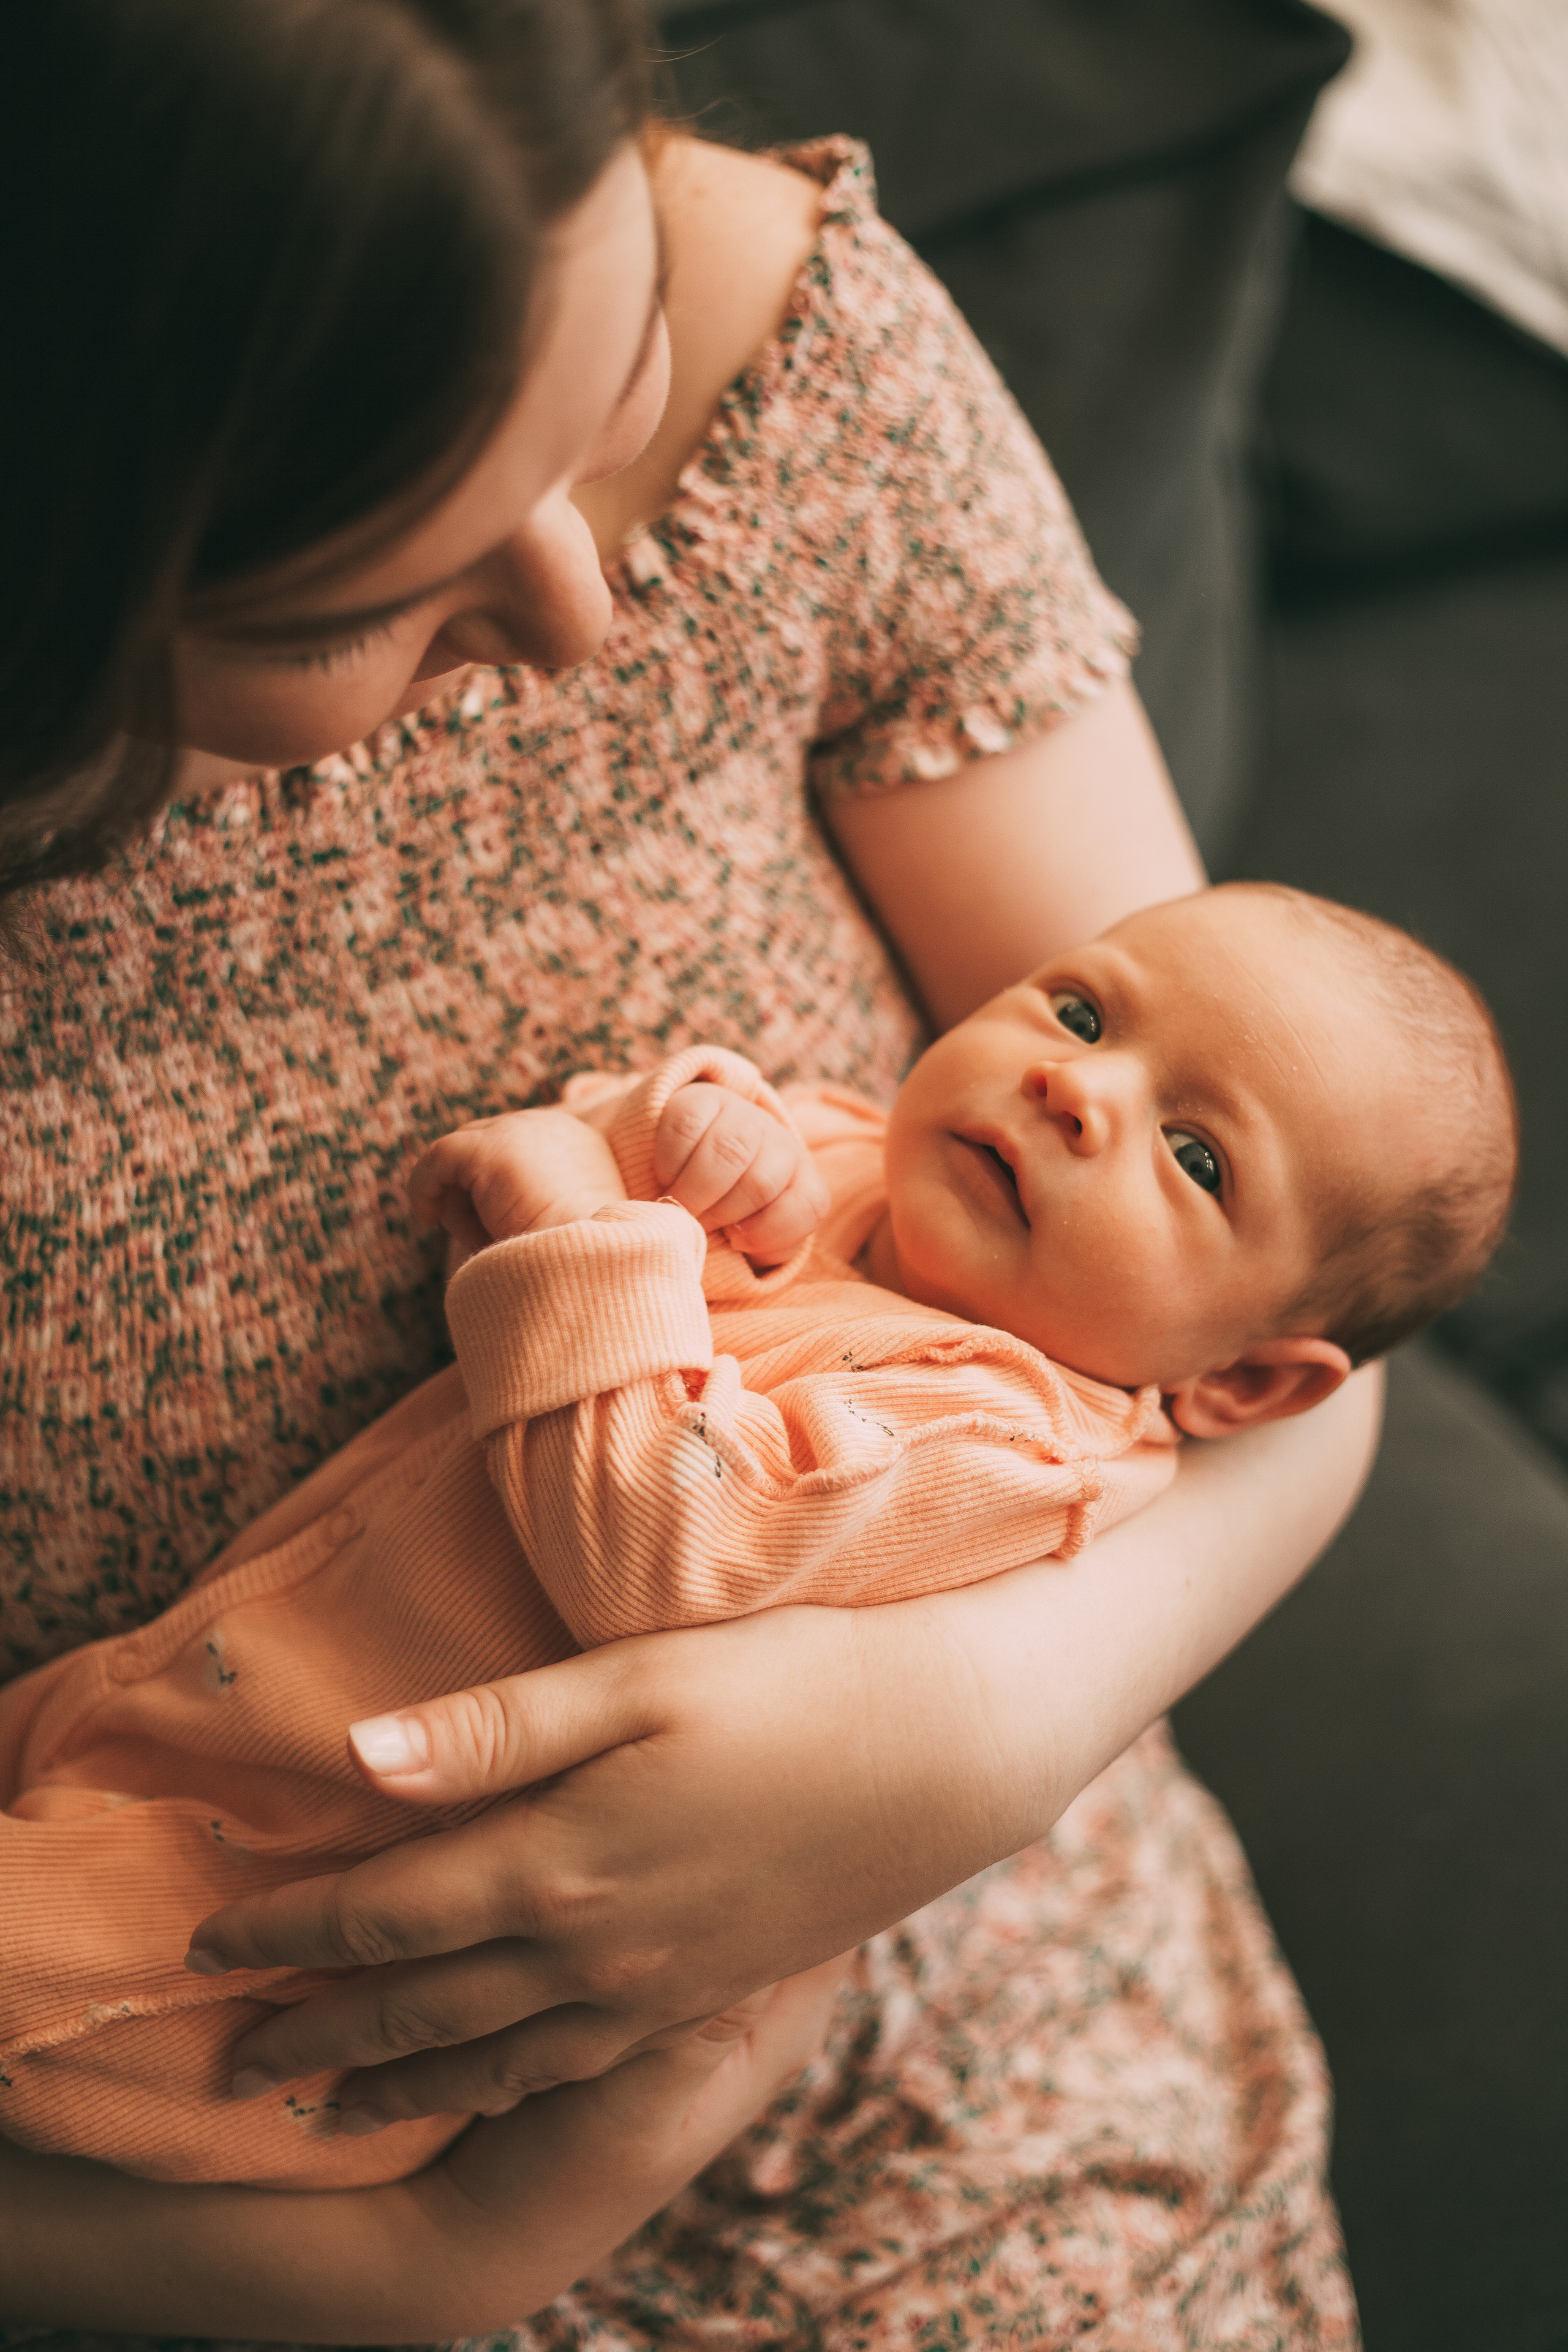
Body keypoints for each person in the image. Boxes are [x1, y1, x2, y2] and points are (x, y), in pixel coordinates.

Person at [0, 3, 1384, 2343]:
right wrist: (415, 2269)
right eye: (356, 597)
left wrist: (972, 1743)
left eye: (611, 396)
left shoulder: (799, 350)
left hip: (993, 2064)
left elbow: (1269, 1333)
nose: (575, 618)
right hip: (210, 2163)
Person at [0, 883, 1515, 2210]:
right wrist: (672, 1121)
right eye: (1077, 1008)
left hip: (267, 1937)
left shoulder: (1009, 1444)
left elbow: (655, 1540)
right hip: (172, 1715)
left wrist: (571, 1213)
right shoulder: (857, 1161)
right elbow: (595, 1220)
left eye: (1192, 1156)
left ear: (1243, 1382)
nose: (1074, 1087)